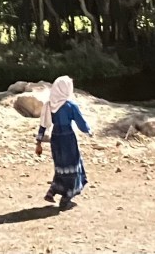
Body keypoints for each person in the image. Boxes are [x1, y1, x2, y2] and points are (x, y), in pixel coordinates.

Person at [35, 75, 92, 209]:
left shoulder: (49, 105)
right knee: (72, 165)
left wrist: (39, 142)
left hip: (55, 138)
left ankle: (53, 190)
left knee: (60, 165)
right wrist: (88, 131)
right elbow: (80, 122)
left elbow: (43, 125)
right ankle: (66, 196)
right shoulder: (70, 106)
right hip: (68, 138)